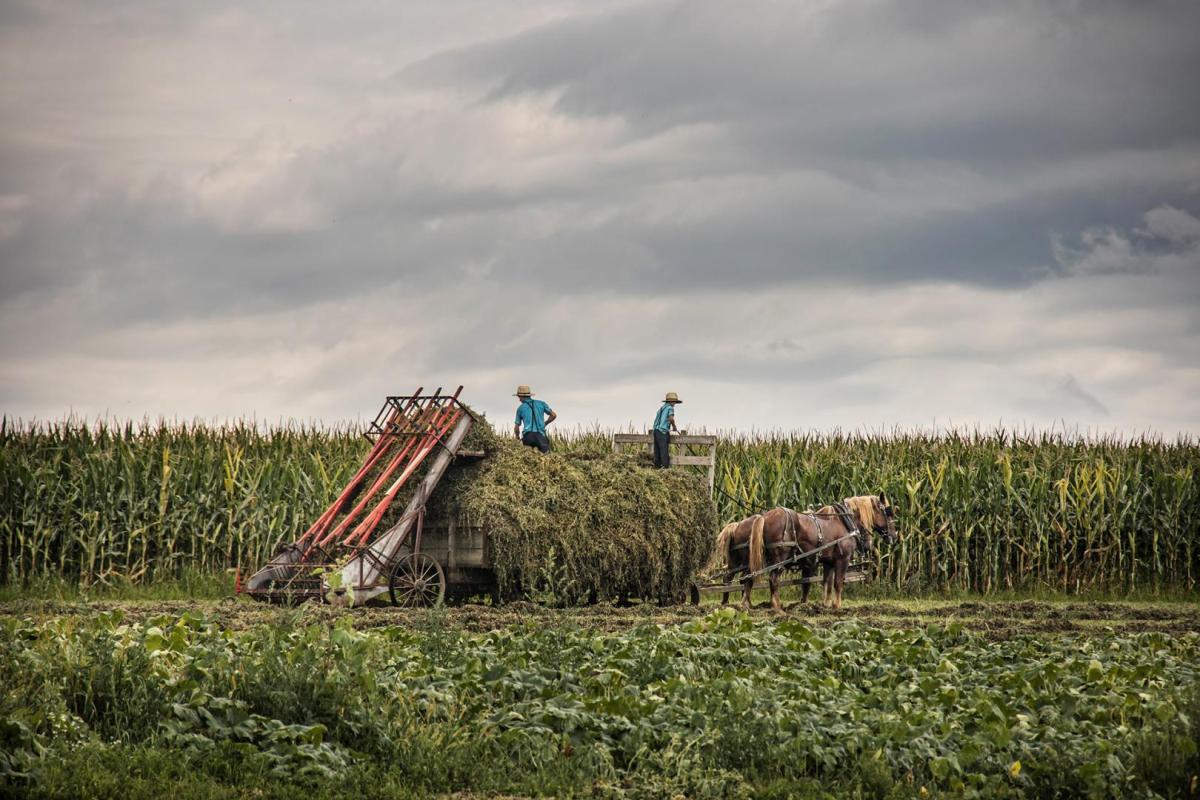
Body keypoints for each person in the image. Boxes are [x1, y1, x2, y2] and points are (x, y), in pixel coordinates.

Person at [513, 385, 556, 453]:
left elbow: (516, 428)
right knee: (546, 458)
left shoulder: (520, 408)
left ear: (522, 396)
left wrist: (517, 438)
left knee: (528, 459)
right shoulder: (541, 404)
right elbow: (553, 415)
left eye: (519, 397)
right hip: (541, 436)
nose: (519, 399)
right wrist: (545, 423)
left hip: (528, 437)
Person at [652, 392, 682, 468]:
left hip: (656, 430)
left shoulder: (662, 408)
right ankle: (665, 468)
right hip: (663, 431)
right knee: (664, 450)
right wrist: (674, 427)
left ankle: (657, 467)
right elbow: (671, 418)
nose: (675, 403)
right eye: (674, 401)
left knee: (657, 450)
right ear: (671, 401)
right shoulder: (670, 408)